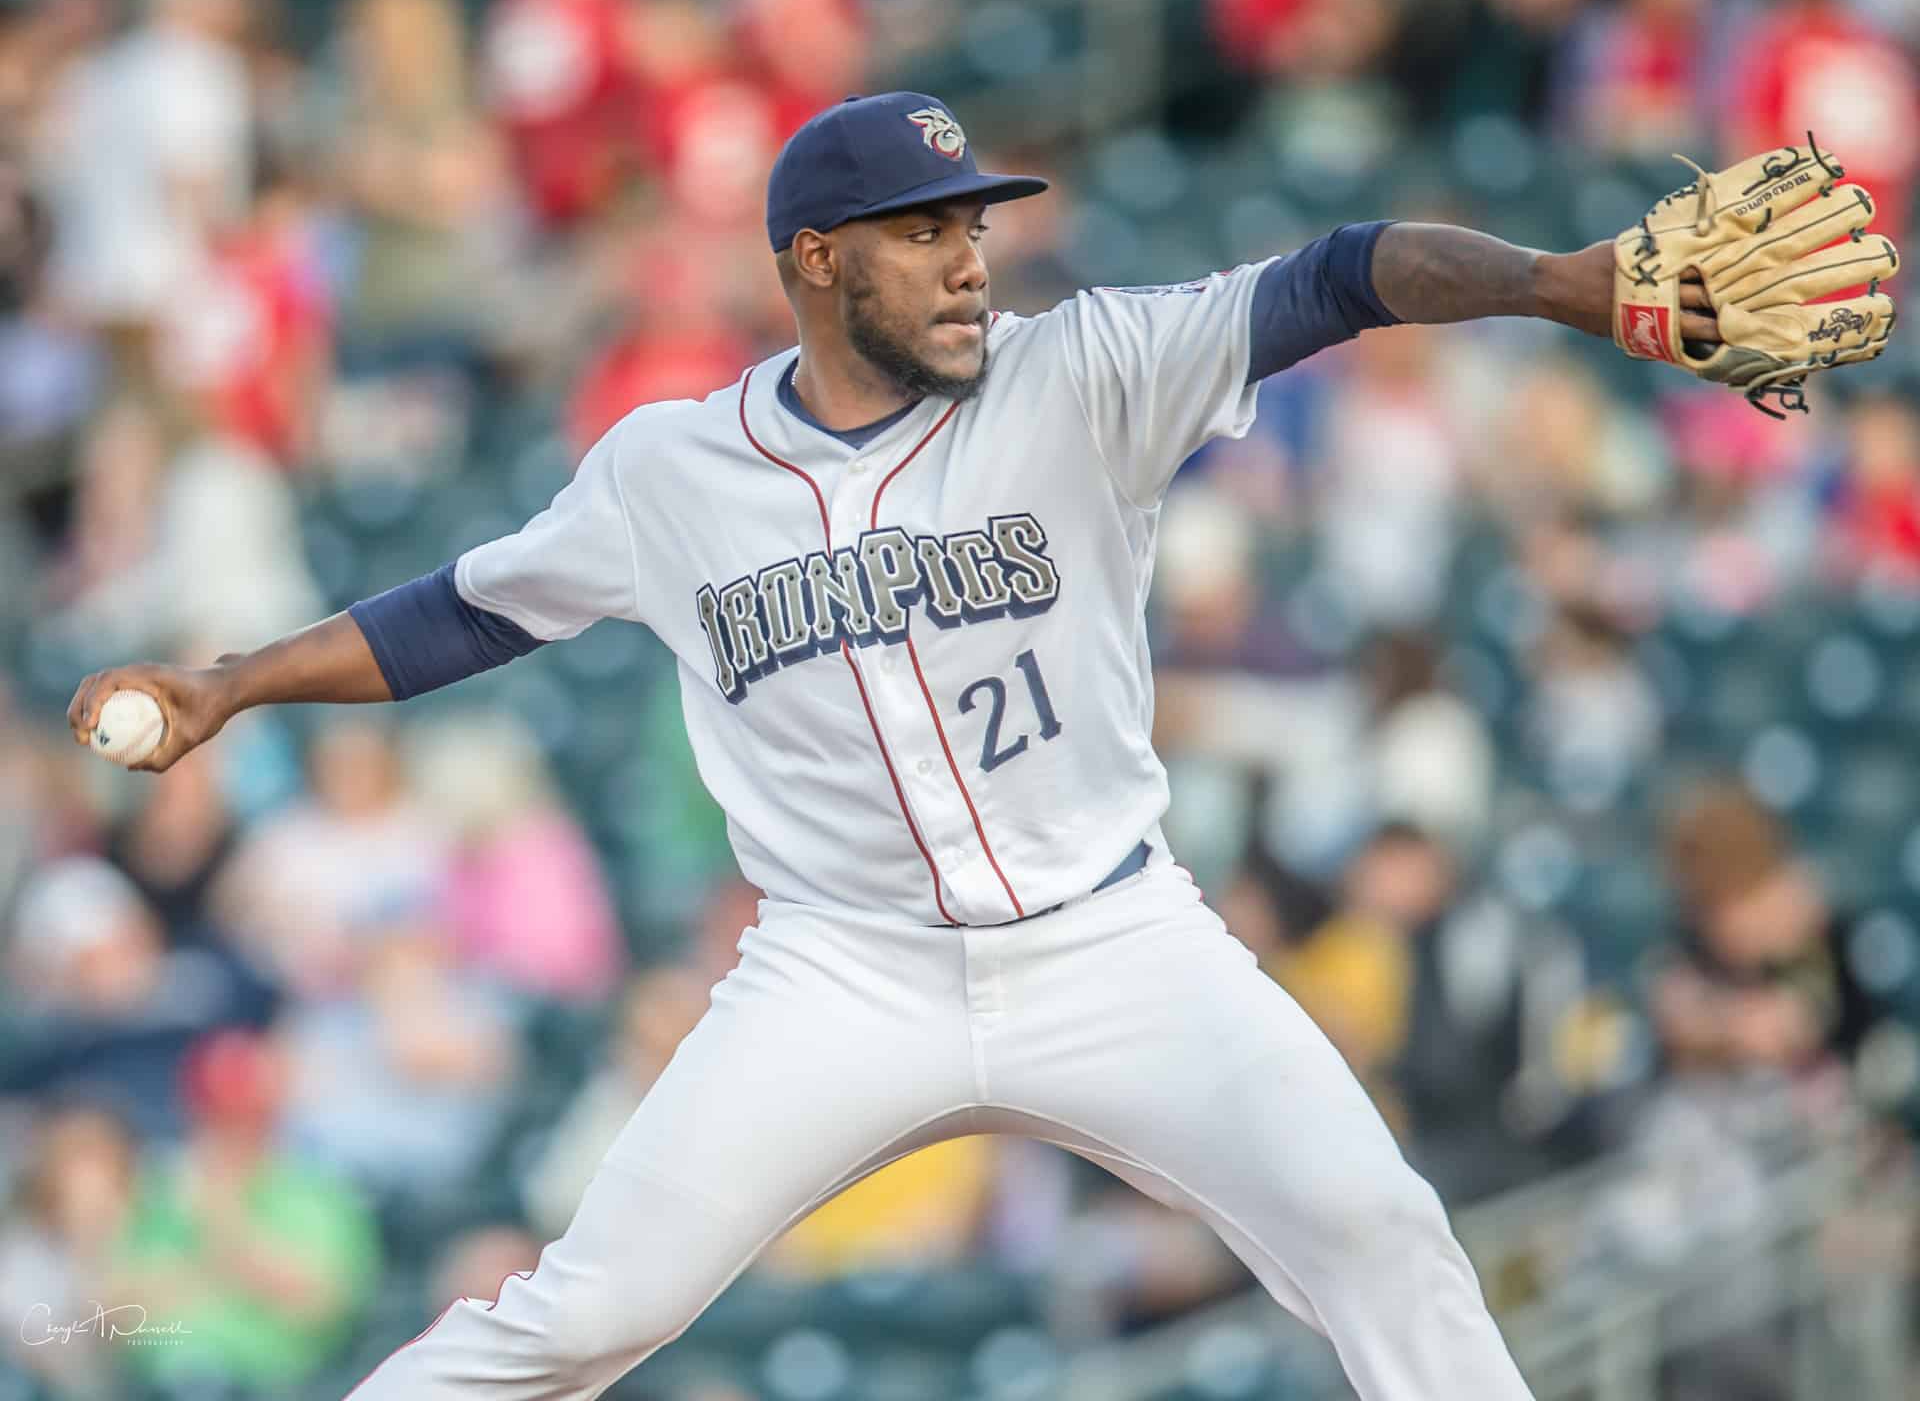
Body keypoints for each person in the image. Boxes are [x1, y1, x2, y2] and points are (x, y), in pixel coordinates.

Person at [67, 92, 1879, 1401]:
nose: (965, 261)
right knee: (586, 1314)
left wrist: (1564, 281)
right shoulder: (668, 473)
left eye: (974, 226)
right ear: (813, 261)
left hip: (1117, 939)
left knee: (1380, 1237)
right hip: (839, 974)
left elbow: (1343, 274)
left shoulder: (1080, 371)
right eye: (924, 233)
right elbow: (455, 612)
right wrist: (233, 681)